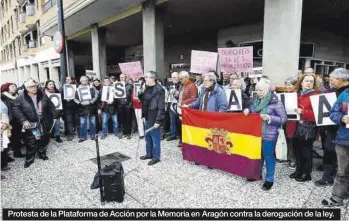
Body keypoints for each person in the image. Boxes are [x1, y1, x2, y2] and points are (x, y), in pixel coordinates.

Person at [243, 78, 287, 190]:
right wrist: (247, 111)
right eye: (257, 89)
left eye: (261, 90)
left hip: (269, 135)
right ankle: (257, 174)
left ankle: (269, 179)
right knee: (257, 156)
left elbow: (283, 119)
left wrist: (270, 118)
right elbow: (252, 113)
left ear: (268, 90)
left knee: (268, 157)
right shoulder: (254, 100)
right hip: (255, 134)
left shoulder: (276, 102)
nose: (258, 92)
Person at [316, 69, 349, 187]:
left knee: (333, 153)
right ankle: (329, 175)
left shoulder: (343, 93)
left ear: (341, 79)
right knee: (329, 152)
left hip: (341, 131)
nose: (329, 81)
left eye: (332, 79)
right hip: (331, 127)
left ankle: (329, 177)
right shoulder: (333, 91)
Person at [12, 79, 54, 168]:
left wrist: (54, 115)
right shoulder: (20, 98)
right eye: (32, 87)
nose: (34, 88)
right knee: (31, 142)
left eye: (35, 86)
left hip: (42, 123)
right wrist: (23, 120)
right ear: (27, 88)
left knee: (43, 139)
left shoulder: (42, 95)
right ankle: (29, 159)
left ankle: (42, 153)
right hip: (31, 123)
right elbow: (16, 109)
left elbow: (51, 106)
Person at [289, 74, 319, 182]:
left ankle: (306, 173)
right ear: (301, 82)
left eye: (311, 81)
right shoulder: (296, 94)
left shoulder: (316, 96)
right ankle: (298, 170)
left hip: (307, 127)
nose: (309, 83)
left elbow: (317, 114)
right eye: (307, 81)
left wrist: (303, 112)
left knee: (305, 150)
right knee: (296, 149)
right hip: (295, 126)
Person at [138, 71, 165, 166]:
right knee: (147, 137)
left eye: (146, 77)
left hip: (154, 117)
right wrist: (140, 94)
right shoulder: (146, 88)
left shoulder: (159, 89)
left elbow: (161, 107)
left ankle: (156, 157)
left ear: (152, 78)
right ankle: (149, 154)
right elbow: (144, 101)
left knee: (155, 139)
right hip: (147, 116)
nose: (145, 79)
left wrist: (158, 121)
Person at [174, 71, 198, 147]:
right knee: (179, 124)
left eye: (181, 78)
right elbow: (181, 96)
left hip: (186, 109)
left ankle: (184, 142)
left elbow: (194, 98)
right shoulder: (182, 85)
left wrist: (183, 102)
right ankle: (181, 140)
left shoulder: (192, 85)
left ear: (186, 77)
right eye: (179, 78)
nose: (180, 80)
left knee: (183, 125)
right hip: (180, 108)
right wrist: (176, 96)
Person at [1, 82, 23, 158]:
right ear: (7, 88)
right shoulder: (3, 97)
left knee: (17, 136)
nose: (14, 88)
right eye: (12, 86)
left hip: (17, 119)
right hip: (9, 120)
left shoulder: (16, 96)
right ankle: (10, 155)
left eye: (15, 86)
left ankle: (16, 151)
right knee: (8, 138)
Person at [74, 76, 98, 143]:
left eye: (86, 80)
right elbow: (75, 98)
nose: (84, 82)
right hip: (82, 108)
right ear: (80, 81)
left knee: (93, 122)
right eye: (83, 80)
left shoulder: (92, 88)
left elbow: (96, 96)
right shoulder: (78, 89)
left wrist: (90, 102)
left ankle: (92, 135)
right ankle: (83, 137)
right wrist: (80, 103)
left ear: (88, 81)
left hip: (91, 108)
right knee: (82, 123)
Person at [283, 77, 298, 169]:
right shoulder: (283, 95)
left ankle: (293, 160)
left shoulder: (296, 95)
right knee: (286, 139)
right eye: (287, 84)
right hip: (285, 120)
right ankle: (288, 157)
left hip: (293, 121)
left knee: (292, 140)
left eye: (291, 84)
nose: (288, 86)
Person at [116, 73, 133, 139]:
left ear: (126, 78)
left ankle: (128, 133)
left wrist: (131, 104)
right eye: (120, 77)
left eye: (123, 77)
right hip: (120, 105)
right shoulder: (117, 86)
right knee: (122, 120)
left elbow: (133, 95)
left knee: (128, 119)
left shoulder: (130, 86)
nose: (121, 78)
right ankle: (124, 132)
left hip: (127, 105)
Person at [61, 76, 78, 141]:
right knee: (68, 120)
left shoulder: (76, 87)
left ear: (72, 80)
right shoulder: (63, 87)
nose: (67, 80)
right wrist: (65, 99)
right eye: (66, 79)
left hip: (75, 107)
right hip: (67, 107)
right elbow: (61, 96)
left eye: (68, 79)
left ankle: (71, 131)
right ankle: (70, 134)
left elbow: (79, 96)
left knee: (74, 120)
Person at [1, 100, 11, 179]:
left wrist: (5, 123)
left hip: (2, 129)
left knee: (3, 148)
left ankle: (3, 164)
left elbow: (4, 114)